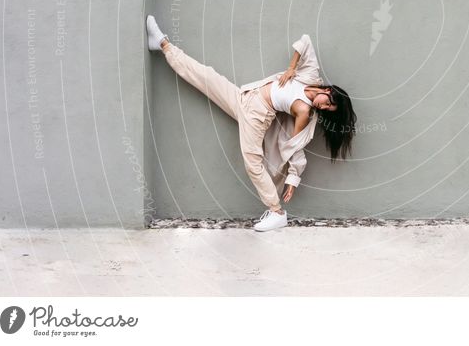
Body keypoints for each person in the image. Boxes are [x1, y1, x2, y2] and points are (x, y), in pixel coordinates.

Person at [145, 15, 356, 231]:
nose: (324, 108)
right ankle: (162, 43)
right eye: (329, 103)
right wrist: (292, 67)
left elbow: (295, 146)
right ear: (329, 91)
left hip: (257, 116)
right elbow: (305, 42)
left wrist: (293, 179)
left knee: (253, 163)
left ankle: (277, 212)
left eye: (329, 110)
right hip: (245, 97)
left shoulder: (304, 111)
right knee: (206, 76)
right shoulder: (309, 76)